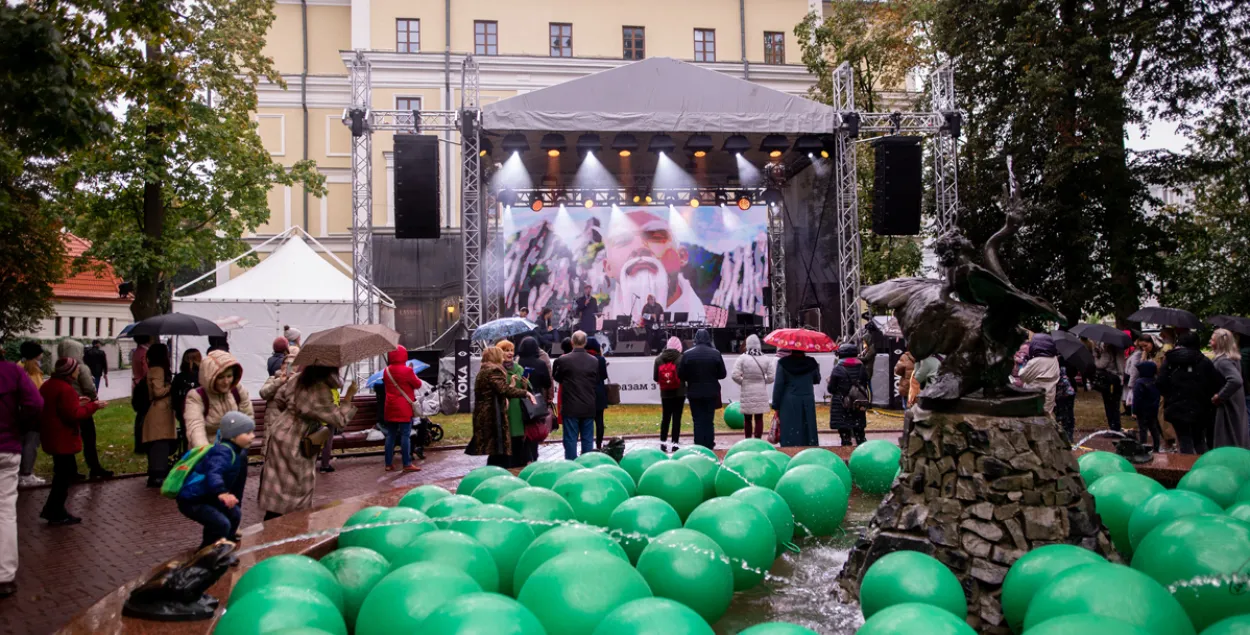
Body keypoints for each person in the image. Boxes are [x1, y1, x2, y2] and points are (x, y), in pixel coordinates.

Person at [257, 366, 357, 519]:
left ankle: (271, 526)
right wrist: (349, 396)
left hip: (281, 430)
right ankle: (286, 531)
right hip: (298, 438)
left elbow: (279, 399)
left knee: (277, 487)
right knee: (295, 489)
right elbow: (339, 420)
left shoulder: (297, 378)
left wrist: (293, 410)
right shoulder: (320, 388)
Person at [601, 210, 706, 323]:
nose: (640, 247)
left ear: (681, 256)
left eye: (656, 237)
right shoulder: (600, 321)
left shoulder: (712, 318)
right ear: (608, 268)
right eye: (622, 240)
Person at [39, 358, 105, 525]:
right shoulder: (65, 389)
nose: (78, 372)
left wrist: (78, 402)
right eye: (76, 369)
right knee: (64, 475)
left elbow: (62, 407)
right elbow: (73, 415)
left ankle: (53, 508)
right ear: (69, 372)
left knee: (61, 472)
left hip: (52, 435)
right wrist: (93, 406)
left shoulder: (49, 385)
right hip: (63, 437)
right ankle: (55, 510)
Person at [176, 412, 254, 549]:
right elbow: (214, 473)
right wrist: (222, 492)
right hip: (193, 500)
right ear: (233, 436)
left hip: (208, 497)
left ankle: (225, 546)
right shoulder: (222, 453)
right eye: (247, 433)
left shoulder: (233, 451)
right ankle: (205, 555)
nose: (252, 436)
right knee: (221, 523)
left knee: (234, 514)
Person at [0, 354, 43, 598]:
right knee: (5, 511)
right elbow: (35, 404)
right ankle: (4, 576)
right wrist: (19, 426)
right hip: (6, 447)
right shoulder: (12, 372)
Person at [470, 346, 535, 465]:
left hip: (486, 414)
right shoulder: (494, 370)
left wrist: (511, 385)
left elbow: (497, 390)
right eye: (501, 354)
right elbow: (504, 390)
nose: (503, 357)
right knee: (497, 452)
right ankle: (497, 475)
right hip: (493, 415)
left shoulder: (484, 370)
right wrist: (526, 393)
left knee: (495, 451)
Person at [1158, 332, 1220, 454]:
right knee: (1200, 440)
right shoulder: (1204, 361)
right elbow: (1215, 383)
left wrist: (1171, 396)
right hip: (1200, 407)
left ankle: (1186, 468)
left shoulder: (1170, 360)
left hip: (1176, 406)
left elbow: (1160, 383)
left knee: (1183, 439)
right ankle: (1204, 467)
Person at [58, 339, 111, 479]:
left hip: (66, 408)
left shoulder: (59, 367)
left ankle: (70, 470)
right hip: (82, 406)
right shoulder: (81, 367)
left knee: (69, 439)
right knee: (89, 439)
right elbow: (88, 387)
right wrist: (94, 400)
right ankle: (94, 467)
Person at [184, 350, 253, 448]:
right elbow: (195, 427)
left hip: (234, 450)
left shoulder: (237, 390)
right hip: (207, 451)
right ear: (210, 377)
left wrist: (242, 443)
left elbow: (247, 416)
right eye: (221, 377)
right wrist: (205, 452)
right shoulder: (197, 396)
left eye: (229, 376)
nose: (226, 381)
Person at [552, 332, 598, 459]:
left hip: (570, 405)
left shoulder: (563, 360)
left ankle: (571, 464)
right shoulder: (594, 361)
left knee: (570, 439)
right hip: (588, 404)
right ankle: (587, 463)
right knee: (588, 438)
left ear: (572, 342)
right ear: (585, 342)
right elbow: (596, 379)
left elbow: (557, 377)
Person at [677, 329, 726, 449]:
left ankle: (699, 444)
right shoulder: (715, 353)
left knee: (697, 420)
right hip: (711, 392)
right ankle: (709, 444)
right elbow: (722, 374)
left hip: (694, 392)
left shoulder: (688, 354)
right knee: (709, 420)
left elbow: (681, 375)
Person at [379, 346, 422, 473]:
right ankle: (407, 463)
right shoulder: (407, 371)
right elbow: (418, 384)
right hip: (404, 407)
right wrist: (412, 372)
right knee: (405, 435)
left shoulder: (386, 371)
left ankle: (388, 463)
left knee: (390, 435)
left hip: (390, 407)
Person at [142, 343, 177, 487]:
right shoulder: (157, 370)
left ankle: (157, 472)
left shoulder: (154, 369)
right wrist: (170, 386)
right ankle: (157, 473)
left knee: (161, 442)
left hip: (161, 411)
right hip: (160, 412)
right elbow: (158, 392)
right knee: (160, 442)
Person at [771, 349, 820, 447]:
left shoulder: (783, 363)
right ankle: (809, 448)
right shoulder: (812, 362)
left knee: (790, 428)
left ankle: (789, 450)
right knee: (808, 428)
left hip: (789, 400)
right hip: (807, 398)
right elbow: (817, 379)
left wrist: (776, 405)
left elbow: (779, 385)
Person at [1209, 329, 1249, 449]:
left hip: (1228, 404)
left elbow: (1236, 380)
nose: (1210, 342)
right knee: (1237, 432)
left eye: (1212, 339)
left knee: (1227, 435)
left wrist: (1219, 396)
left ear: (1220, 342)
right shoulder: (1233, 358)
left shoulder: (1223, 361)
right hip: (1235, 401)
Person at [732, 335, 774, 440]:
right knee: (759, 418)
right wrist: (763, 381)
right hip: (760, 391)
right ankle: (758, 439)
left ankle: (748, 439)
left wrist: (743, 381)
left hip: (747, 391)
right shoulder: (766, 359)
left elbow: (735, 375)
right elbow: (771, 377)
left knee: (747, 419)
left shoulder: (742, 358)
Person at [517, 336, 552, 462]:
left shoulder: (518, 363)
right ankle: (534, 453)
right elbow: (547, 383)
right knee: (535, 426)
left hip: (521, 399)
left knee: (524, 427)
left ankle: (524, 454)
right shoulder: (541, 363)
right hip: (536, 400)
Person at [828, 343, 868, 446]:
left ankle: (846, 456)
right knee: (860, 434)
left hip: (842, 405)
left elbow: (831, 389)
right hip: (857, 404)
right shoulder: (862, 367)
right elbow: (864, 383)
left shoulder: (838, 368)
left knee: (845, 436)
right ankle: (862, 455)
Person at [18, 342, 46, 488]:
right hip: (33, 412)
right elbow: (38, 391)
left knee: (22, 442)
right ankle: (26, 474)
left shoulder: (19, 366)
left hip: (21, 411)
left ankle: (20, 473)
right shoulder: (32, 370)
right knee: (31, 443)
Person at [1016, 334, 1061, 417]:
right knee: (1047, 415)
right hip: (1050, 393)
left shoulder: (1035, 361)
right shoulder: (1054, 359)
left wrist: (1023, 366)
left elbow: (1022, 376)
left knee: (1035, 417)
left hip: (1035, 394)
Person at [653, 336, 686, 450]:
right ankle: (675, 444)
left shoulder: (658, 359)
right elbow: (684, 375)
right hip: (679, 393)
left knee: (665, 418)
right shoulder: (682, 358)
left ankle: (663, 444)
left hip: (665, 393)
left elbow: (655, 378)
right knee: (677, 419)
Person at [171, 349, 202, 453]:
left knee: (187, 441)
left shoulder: (179, 378)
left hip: (184, 414)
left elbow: (174, 399)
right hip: (201, 414)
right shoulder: (203, 377)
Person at [584, 338, 610, 449]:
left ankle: (587, 445)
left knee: (587, 420)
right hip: (599, 391)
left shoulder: (584, 358)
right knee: (599, 420)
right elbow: (604, 376)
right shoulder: (601, 359)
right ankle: (599, 444)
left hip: (586, 391)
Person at [1093, 342, 1126, 431]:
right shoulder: (1119, 351)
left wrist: (1096, 356)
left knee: (1109, 404)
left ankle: (1113, 426)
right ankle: (1116, 426)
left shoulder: (1107, 352)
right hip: (1117, 379)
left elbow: (1100, 364)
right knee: (1115, 404)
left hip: (1109, 379)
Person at [1132, 361, 1163, 451]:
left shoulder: (1139, 383)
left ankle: (1143, 446)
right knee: (1154, 429)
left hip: (1142, 411)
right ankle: (1156, 447)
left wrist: (1134, 411)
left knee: (1143, 429)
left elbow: (1137, 399)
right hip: (1153, 410)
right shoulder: (1155, 381)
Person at [1054, 360, 1078, 442]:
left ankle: (1068, 435)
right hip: (1060, 389)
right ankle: (1065, 434)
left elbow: (1073, 372)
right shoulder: (1057, 359)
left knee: (1067, 413)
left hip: (1067, 389)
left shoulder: (1065, 360)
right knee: (1063, 412)